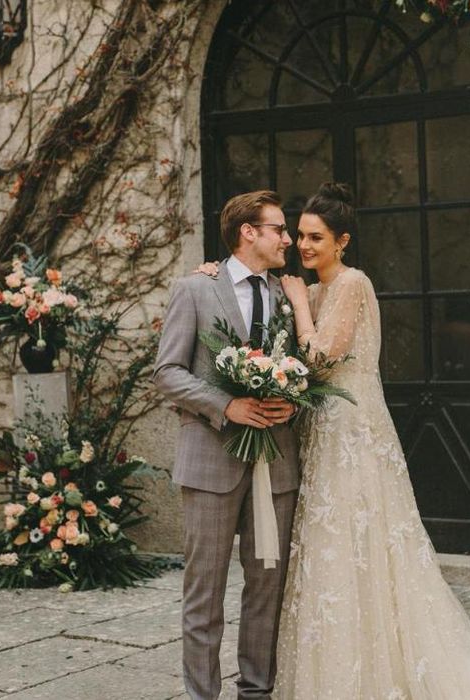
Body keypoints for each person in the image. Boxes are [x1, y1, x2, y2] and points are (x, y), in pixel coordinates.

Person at [196, 183, 470, 699]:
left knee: (359, 543)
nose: (302, 246)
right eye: (297, 236)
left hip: (351, 436)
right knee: (326, 552)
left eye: (314, 238)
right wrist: (213, 273)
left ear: (342, 241)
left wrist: (300, 303)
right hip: (315, 437)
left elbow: (322, 358)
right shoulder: (311, 289)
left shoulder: (351, 284)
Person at [153, 190, 300, 700]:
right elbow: (167, 372)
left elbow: (307, 370)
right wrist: (225, 406)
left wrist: (292, 403)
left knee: (267, 591)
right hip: (211, 463)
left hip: (274, 467)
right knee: (204, 594)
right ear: (248, 232)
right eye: (279, 229)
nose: (288, 239)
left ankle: (256, 692)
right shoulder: (195, 289)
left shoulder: (288, 295)